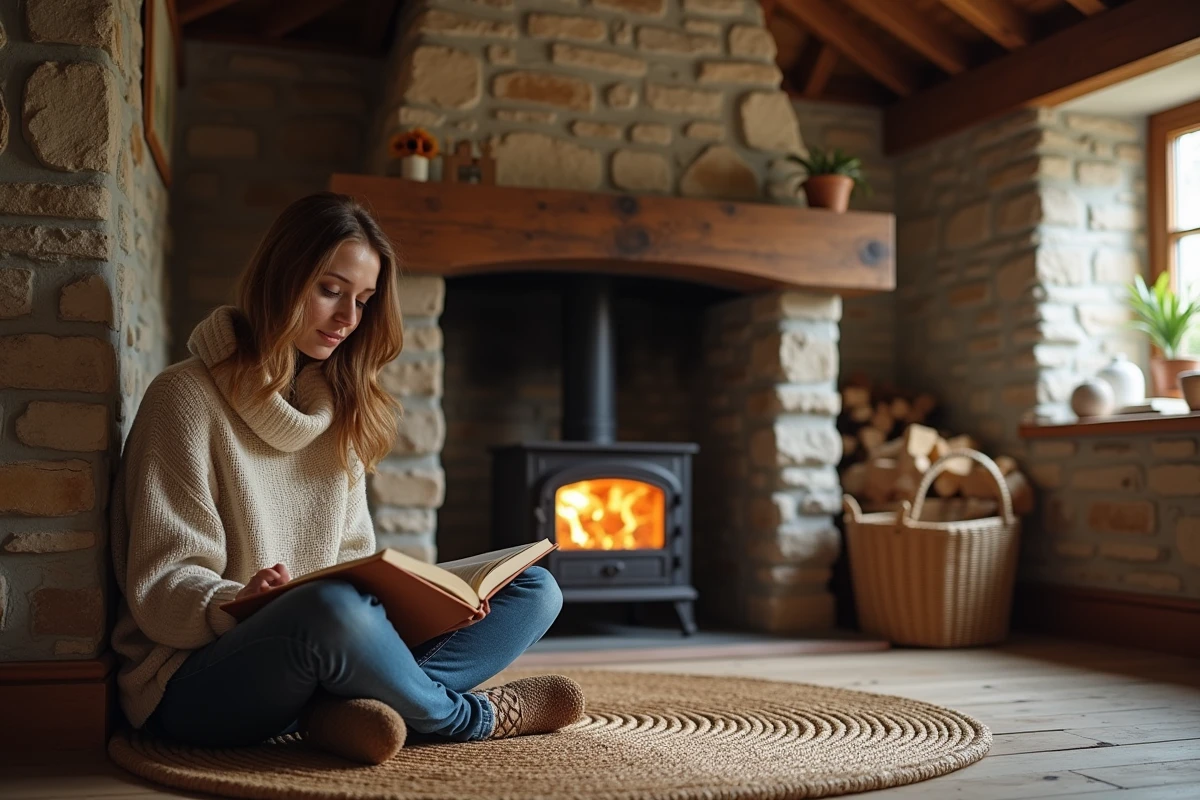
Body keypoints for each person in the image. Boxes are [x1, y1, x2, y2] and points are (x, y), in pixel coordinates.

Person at [109, 192, 585, 765]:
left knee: (535, 590)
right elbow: (160, 587)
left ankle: (347, 711)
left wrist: (437, 603)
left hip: (322, 659)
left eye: (362, 300)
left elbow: (356, 559)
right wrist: (238, 601)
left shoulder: (338, 410)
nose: (348, 319)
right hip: (196, 681)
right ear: (279, 279)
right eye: (330, 290)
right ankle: (463, 717)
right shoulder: (183, 399)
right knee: (330, 609)